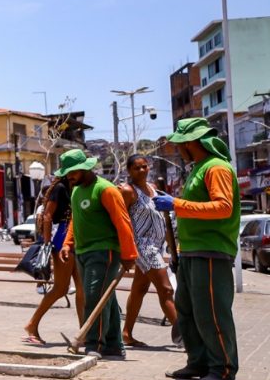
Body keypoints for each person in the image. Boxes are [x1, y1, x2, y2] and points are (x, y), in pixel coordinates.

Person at [159, 118, 242, 380]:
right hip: (192, 250)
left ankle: (223, 369)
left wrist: (176, 204)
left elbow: (222, 207)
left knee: (212, 312)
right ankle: (199, 362)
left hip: (212, 250)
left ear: (191, 142)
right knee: (188, 310)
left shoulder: (216, 168)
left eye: (180, 143)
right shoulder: (197, 169)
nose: (177, 148)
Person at [58, 149, 137, 358]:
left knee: (94, 297)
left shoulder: (106, 190)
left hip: (104, 252)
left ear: (86, 168)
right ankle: (113, 344)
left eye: (72, 172)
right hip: (83, 252)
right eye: (67, 173)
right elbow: (76, 220)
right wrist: (67, 244)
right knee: (106, 298)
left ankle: (94, 344)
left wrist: (129, 255)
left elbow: (123, 223)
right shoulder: (76, 191)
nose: (69, 177)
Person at [117, 154, 179, 347]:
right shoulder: (128, 191)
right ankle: (186, 336)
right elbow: (119, 220)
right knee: (166, 289)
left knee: (139, 288)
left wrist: (171, 246)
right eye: (137, 168)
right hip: (143, 245)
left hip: (157, 246)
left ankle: (126, 333)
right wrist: (123, 250)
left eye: (144, 167)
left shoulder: (153, 189)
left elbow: (164, 220)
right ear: (129, 170)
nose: (142, 171)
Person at [24, 175, 85, 343]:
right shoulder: (60, 188)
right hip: (62, 239)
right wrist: (46, 243)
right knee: (60, 289)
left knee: (82, 290)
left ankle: (83, 333)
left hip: (76, 239)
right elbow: (48, 215)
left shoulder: (76, 187)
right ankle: (32, 324)